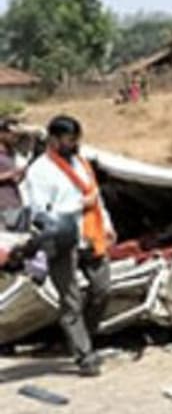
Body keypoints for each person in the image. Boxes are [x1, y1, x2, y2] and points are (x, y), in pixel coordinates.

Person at [20, 115, 115, 377]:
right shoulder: (40, 171)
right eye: (68, 139)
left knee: (102, 289)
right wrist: (78, 205)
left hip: (90, 235)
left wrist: (106, 224)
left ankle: (83, 336)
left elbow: (95, 198)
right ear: (53, 139)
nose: (73, 144)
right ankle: (85, 355)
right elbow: (41, 213)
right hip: (61, 239)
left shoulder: (82, 163)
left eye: (75, 139)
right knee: (70, 299)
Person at [0, 118, 26, 212]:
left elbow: (14, 181)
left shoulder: (11, 153)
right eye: (12, 134)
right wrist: (12, 173)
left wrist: (22, 175)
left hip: (14, 205)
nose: (15, 138)